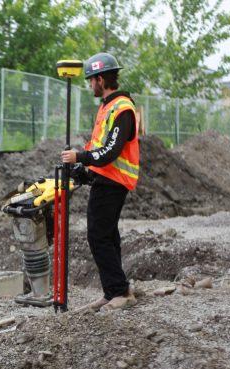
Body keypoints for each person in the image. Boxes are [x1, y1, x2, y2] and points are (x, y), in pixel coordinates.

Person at [61, 52, 140, 311]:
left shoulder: (122, 109)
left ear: (101, 80)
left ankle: (119, 292)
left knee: (98, 236)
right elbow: (100, 147)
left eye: (91, 80)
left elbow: (110, 151)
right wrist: (85, 171)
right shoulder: (108, 106)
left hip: (114, 181)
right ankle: (116, 290)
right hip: (106, 178)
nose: (89, 85)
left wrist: (80, 157)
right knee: (108, 235)